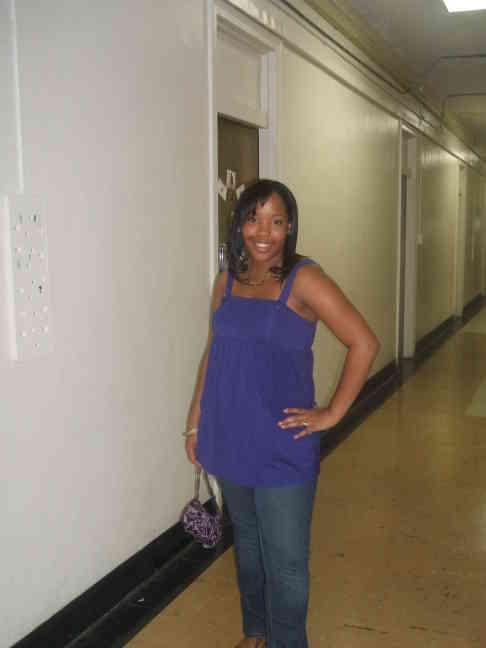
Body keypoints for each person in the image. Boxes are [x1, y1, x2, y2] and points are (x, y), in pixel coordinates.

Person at [184, 179, 380, 648]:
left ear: (290, 226)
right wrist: (195, 421)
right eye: (253, 218)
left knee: (287, 564)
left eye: (276, 220)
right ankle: (256, 633)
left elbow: (364, 342)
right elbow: (214, 351)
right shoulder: (227, 281)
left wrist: (331, 413)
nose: (263, 232)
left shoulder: (303, 279)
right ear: (239, 224)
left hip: (282, 446)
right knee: (249, 548)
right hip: (229, 436)